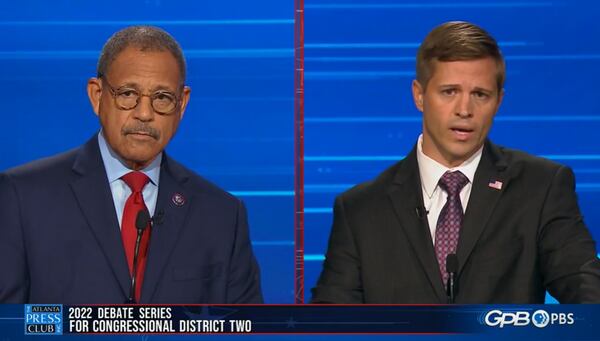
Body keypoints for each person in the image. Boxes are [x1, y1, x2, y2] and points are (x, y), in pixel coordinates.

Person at [311, 21, 600, 303]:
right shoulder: (360, 210)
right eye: (449, 92)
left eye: (480, 95)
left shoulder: (541, 187)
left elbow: (585, 287)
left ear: (498, 101)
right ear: (419, 95)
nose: (465, 109)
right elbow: (332, 323)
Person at [0, 26, 262, 304]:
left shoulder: (222, 216)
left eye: (162, 98)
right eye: (127, 94)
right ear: (97, 95)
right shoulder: (22, 197)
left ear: (182, 104)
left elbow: (247, 329)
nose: (145, 113)